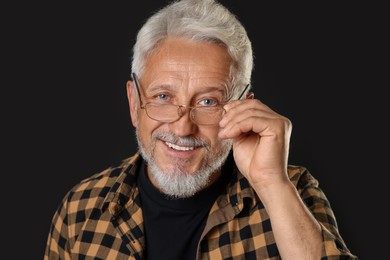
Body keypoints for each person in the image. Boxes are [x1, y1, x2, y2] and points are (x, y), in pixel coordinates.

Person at [44, 0, 357, 259]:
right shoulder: (81, 209)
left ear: (243, 106)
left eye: (208, 101)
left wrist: (272, 183)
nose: (183, 127)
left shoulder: (292, 191)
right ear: (133, 102)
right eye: (163, 97)